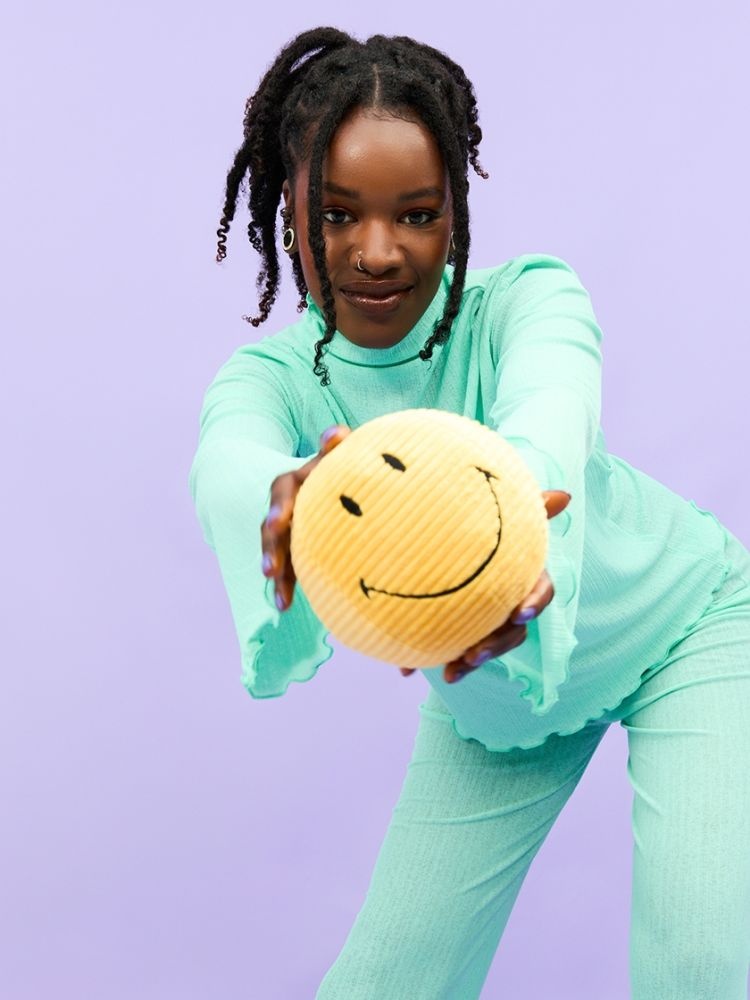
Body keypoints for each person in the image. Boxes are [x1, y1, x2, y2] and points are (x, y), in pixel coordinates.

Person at [190, 27, 750, 999]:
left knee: (697, 965)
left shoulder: (528, 300)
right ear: (288, 207)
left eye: (416, 214)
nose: (377, 252)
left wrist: (513, 518)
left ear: (456, 209)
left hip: (686, 626)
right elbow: (227, 459)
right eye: (336, 213)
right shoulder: (273, 378)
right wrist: (287, 486)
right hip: (499, 700)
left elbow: (550, 412)